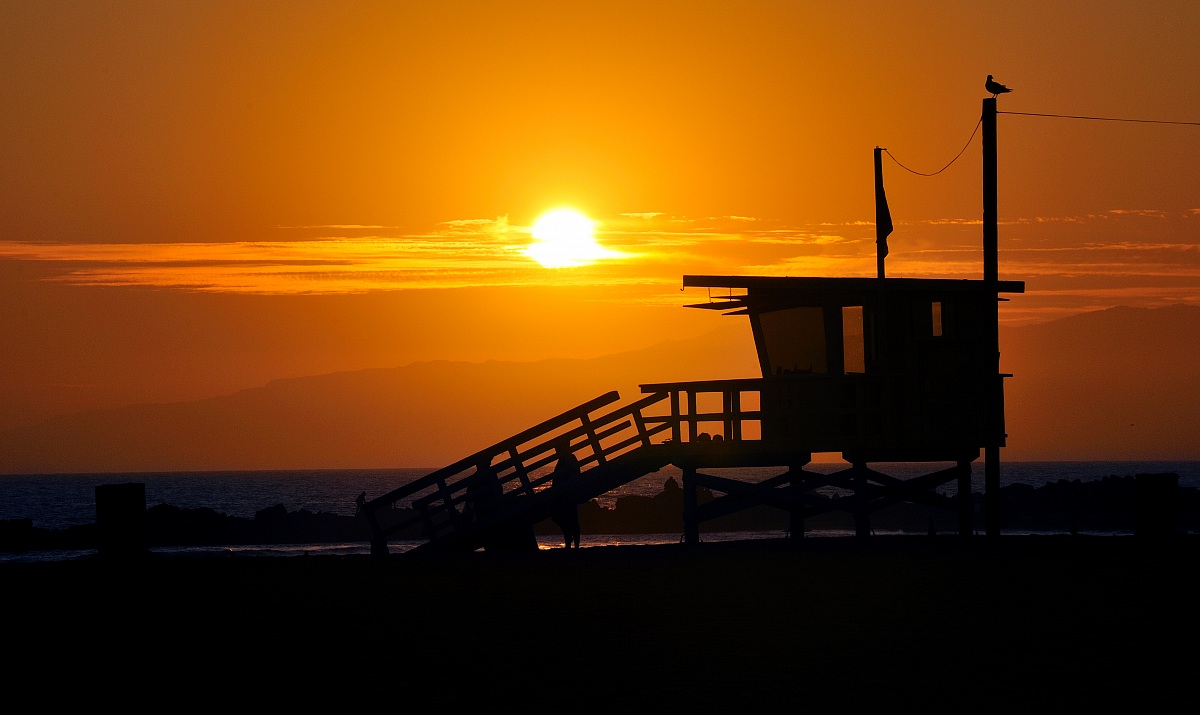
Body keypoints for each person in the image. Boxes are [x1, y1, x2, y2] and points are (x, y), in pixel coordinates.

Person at [549, 441, 582, 549]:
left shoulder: (568, 458)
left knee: (568, 519)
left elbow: (573, 474)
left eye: (557, 449)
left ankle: (572, 542)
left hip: (567, 493)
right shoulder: (567, 458)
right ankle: (570, 540)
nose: (556, 452)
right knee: (564, 518)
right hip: (565, 493)